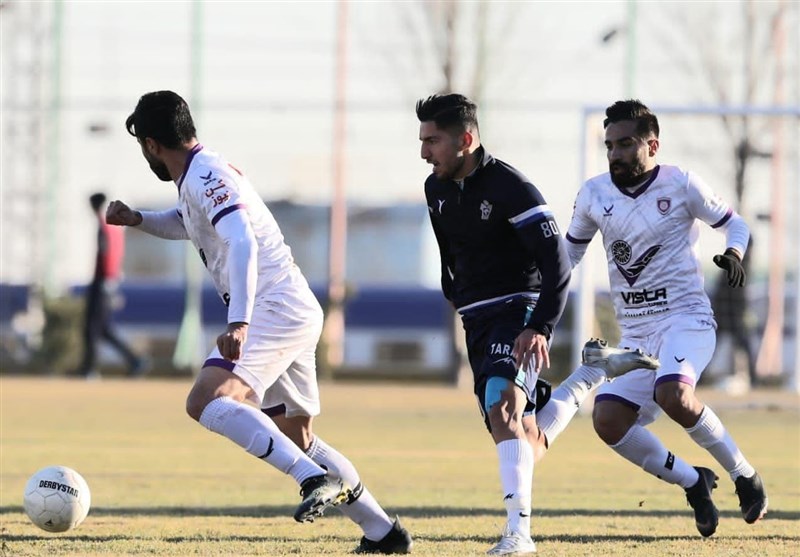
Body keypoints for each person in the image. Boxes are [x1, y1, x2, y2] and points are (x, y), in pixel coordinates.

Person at [108, 90, 412, 554]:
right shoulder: (199, 175)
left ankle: (311, 478)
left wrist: (239, 322)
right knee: (297, 435)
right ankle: (383, 533)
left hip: (274, 307)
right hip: (292, 307)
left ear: (151, 144)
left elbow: (242, 241)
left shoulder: (206, 175)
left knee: (206, 400)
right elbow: (189, 222)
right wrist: (138, 219)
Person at [417, 93, 658, 555]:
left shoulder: (511, 188)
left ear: (465, 140)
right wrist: (455, 292)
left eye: (433, 141)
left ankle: (518, 535)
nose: (425, 152)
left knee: (503, 409)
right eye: (423, 141)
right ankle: (591, 373)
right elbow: (450, 252)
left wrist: (540, 326)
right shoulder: (436, 189)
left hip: (518, 309)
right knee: (524, 439)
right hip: (477, 318)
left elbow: (557, 264)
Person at [565, 99, 768, 538]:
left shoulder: (681, 183)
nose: (615, 154)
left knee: (674, 394)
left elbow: (736, 225)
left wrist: (734, 253)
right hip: (636, 335)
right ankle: (694, 482)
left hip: (686, 320)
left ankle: (744, 475)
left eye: (625, 144)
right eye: (609, 146)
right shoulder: (594, 194)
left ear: (652, 145)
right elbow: (568, 257)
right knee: (607, 419)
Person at [73, 192, 148, 379]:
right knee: (103, 329)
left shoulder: (103, 227)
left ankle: (89, 369)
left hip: (102, 282)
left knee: (91, 327)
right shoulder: (114, 228)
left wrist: (105, 281)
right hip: (110, 280)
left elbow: (105, 255)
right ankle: (135, 361)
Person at [711, 236, 758, 390]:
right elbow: (728, 291)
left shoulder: (741, 262)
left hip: (731, 313)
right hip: (727, 313)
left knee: (717, 346)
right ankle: (698, 377)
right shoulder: (737, 262)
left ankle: (754, 379)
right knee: (712, 346)